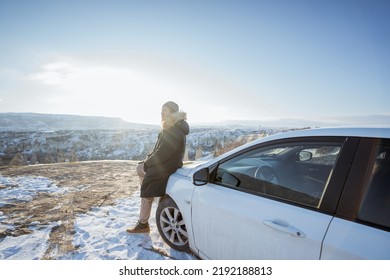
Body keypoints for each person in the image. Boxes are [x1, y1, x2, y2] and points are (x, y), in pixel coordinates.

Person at [127, 101, 189, 233]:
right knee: (142, 173)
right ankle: (146, 206)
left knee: (142, 174)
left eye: (164, 110)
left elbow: (163, 153)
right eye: (161, 110)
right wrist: (147, 160)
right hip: (167, 164)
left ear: (172, 113)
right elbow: (158, 150)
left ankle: (143, 223)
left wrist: (147, 163)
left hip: (166, 167)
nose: (161, 113)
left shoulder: (174, 130)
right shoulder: (173, 127)